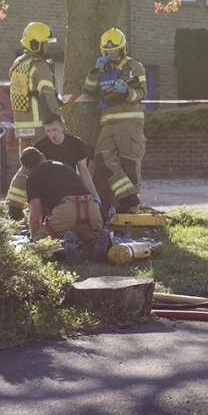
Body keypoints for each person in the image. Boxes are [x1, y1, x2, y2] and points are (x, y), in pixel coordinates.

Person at [83, 28, 147, 214]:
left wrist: (126, 92)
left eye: (115, 51)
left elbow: (142, 93)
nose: (112, 54)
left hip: (129, 122)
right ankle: (128, 196)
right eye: (108, 52)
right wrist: (95, 69)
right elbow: (88, 89)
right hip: (108, 122)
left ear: (123, 49)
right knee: (102, 159)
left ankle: (131, 208)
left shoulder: (134, 66)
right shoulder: (101, 67)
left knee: (129, 163)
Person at [6, 22, 61, 220]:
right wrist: (57, 122)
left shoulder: (18, 65)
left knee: (28, 168)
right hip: (39, 127)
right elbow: (46, 97)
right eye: (45, 43)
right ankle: (30, 208)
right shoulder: (40, 67)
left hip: (23, 128)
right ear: (36, 44)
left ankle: (17, 207)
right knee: (41, 168)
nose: (47, 46)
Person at [20, 147, 110, 264]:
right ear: (43, 156)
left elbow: (35, 218)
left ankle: (64, 246)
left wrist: (34, 238)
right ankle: (95, 246)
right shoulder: (64, 166)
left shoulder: (32, 178)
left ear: (28, 169)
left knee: (40, 242)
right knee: (93, 237)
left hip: (66, 212)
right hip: (91, 208)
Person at [34, 113, 101, 201]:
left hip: (70, 185)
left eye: (54, 129)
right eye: (48, 131)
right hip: (50, 188)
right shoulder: (40, 147)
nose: (52, 134)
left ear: (62, 127)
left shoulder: (75, 143)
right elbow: (37, 175)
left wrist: (95, 195)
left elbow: (83, 171)